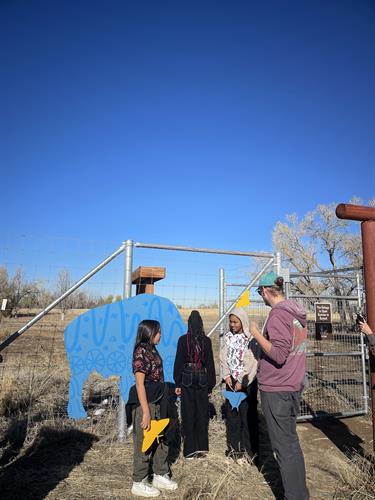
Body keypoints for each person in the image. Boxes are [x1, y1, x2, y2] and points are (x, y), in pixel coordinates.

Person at [250, 272, 309, 500]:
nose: (261, 297)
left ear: (265, 291)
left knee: (284, 448)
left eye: (260, 293)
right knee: (291, 445)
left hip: (278, 388)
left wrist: (256, 333)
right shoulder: (295, 312)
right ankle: (300, 493)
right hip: (291, 385)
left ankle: (295, 496)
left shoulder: (277, 315)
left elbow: (279, 353)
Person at [130, 319, 178, 498]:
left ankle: (159, 474)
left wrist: (171, 388)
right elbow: (140, 385)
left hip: (159, 401)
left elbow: (156, 379)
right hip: (146, 403)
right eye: (158, 332)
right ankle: (139, 481)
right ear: (149, 333)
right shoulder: (141, 352)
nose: (161, 335)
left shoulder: (152, 349)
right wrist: (146, 412)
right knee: (145, 441)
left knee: (160, 438)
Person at [173, 310, 216, 458]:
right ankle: (202, 449)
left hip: (187, 378)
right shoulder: (206, 341)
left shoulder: (182, 340)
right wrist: (210, 385)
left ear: (189, 324)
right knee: (202, 414)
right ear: (201, 324)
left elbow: (179, 362)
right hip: (203, 379)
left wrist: (177, 383)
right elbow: (210, 364)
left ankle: (190, 451)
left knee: (188, 413)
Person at [220, 307, 259, 462]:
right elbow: (223, 358)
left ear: (243, 321)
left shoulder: (250, 339)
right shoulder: (228, 338)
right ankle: (235, 450)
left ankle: (251, 452)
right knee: (233, 418)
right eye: (231, 322)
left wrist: (242, 382)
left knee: (247, 417)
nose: (233, 325)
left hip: (246, 384)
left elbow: (253, 362)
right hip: (231, 383)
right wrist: (227, 376)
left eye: (236, 322)